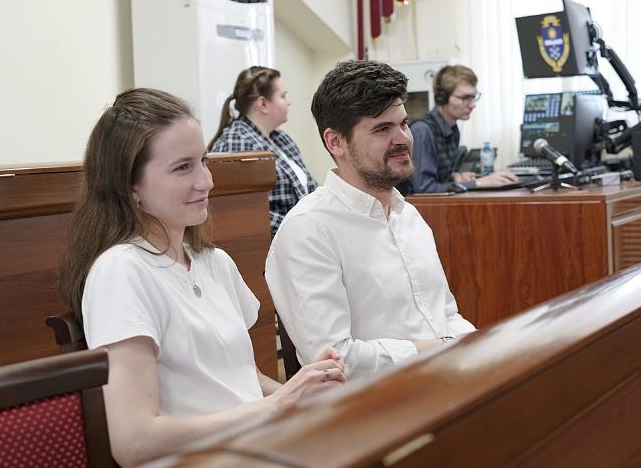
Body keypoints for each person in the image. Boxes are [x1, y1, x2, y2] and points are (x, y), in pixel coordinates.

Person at [59, 88, 345, 466]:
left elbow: (238, 379)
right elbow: (134, 440)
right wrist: (276, 405)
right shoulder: (121, 272)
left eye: (203, 161)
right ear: (130, 185)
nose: (206, 181)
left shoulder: (214, 262)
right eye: (183, 167)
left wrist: (301, 391)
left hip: (252, 450)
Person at [265, 61, 476, 381]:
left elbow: (446, 315)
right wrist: (442, 349)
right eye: (382, 129)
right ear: (336, 142)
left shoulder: (409, 216)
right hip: (374, 404)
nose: (403, 139)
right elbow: (336, 360)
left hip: (443, 383)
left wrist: (478, 345)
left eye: (403, 124)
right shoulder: (308, 230)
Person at [209, 66, 317, 235]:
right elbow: (240, 211)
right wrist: (299, 226)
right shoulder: (236, 142)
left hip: (304, 232)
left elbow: (311, 190)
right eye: (283, 96)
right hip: (276, 240)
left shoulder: (281, 138)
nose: (288, 102)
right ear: (263, 104)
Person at [409, 64, 517, 193]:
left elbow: (440, 178)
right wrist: (479, 183)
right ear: (442, 98)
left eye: (473, 97)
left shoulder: (453, 129)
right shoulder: (422, 131)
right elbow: (424, 189)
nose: (472, 105)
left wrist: (455, 177)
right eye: (465, 98)